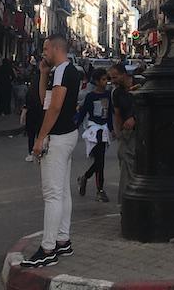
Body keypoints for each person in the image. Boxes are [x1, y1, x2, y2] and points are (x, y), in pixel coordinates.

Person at [21, 34, 81, 269]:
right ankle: (62, 240)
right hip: (67, 135)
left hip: (57, 138)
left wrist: (40, 138)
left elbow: (54, 108)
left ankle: (47, 250)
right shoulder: (62, 71)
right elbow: (44, 101)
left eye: (46, 48)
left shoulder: (64, 72)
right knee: (62, 192)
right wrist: (44, 73)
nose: (43, 52)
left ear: (56, 48)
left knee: (52, 195)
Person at [75, 68, 113, 202]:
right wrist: (75, 126)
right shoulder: (90, 96)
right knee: (99, 161)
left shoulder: (108, 95)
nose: (105, 82)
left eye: (106, 79)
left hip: (104, 130)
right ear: (96, 81)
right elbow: (83, 113)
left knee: (99, 161)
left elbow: (110, 113)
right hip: (94, 130)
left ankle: (85, 177)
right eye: (103, 79)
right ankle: (99, 190)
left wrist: (112, 129)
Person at [108, 63, 136, 205]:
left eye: (115, 77)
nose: (113, 81)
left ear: (124, 74)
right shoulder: (116, 93)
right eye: (111, 78)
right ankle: (126, 201)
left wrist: (135, 118)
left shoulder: (139, 85)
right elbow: (117, 114)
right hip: (127, 134)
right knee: (125, 162)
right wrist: (119, 133)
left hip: (140, 132)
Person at [23, 64, 44, 162]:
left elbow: (28, 96)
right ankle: (39, 153)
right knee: (40, 134)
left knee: (31, 134)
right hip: (41, 111)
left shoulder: (33, 82)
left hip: (31, 111)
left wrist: (25, 108)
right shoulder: (45, 81)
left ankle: (31, 152)